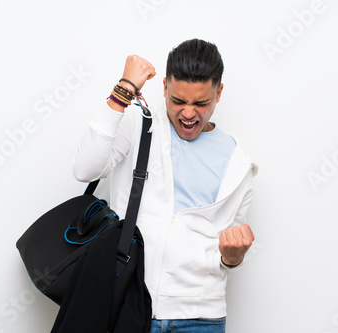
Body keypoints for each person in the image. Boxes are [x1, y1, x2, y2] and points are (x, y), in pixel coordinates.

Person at [73, 38, 258, 333]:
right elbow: (85, 169)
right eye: (178, 100)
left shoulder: (238, 161)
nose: (187, 113)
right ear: (164, 88)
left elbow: (227, 248)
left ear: (218, 93)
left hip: (201, 318)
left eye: (200, 103)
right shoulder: (138, 125)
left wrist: (232, 258)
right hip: (126, 304)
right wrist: (123, 90)